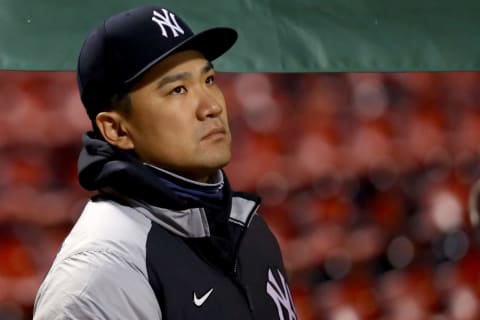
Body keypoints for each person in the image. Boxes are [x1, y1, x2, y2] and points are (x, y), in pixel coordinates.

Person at [33, 4, 297, 320]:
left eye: (209, 80)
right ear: (116, 129)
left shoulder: (250, 231)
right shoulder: (99, 275)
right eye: (178, 89)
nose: (211, 106)